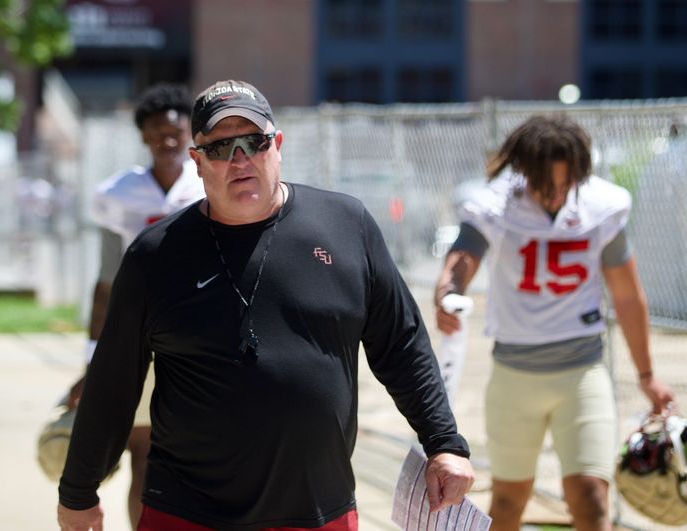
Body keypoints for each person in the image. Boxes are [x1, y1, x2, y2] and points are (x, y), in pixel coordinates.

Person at [57, 79, 474, 531]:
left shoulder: (345, 225)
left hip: (319, 507)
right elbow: (112, 383)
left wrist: (444, 442)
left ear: (276, 145)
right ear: (197, 162)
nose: (240, 160)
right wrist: (79, 492)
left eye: (252, 142)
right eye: (220, 148)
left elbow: (401, 344)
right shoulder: (155, 256)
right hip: (187, 512)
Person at [433, 114, 676, 531]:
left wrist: (647, 374)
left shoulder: (601, 202)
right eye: (545, 186)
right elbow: (464, 254)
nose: (555, 195)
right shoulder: (498, 201)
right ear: (524, 171)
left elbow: (627, 294)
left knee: (592, 498)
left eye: (565, 185)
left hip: (581, 371)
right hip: (515, 373)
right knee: (507, 504)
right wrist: (447, 291)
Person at [65, 82, 205, 529]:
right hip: (140, 334)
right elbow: (106, 284)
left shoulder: (209, 183)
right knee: (144, 452)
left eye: (176, 132)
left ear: (191, 135)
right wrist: (93, 359)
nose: (167, 141)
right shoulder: (118, 193)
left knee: (204, 455)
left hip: (201, 335)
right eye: (157, 132)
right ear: (142, 135)